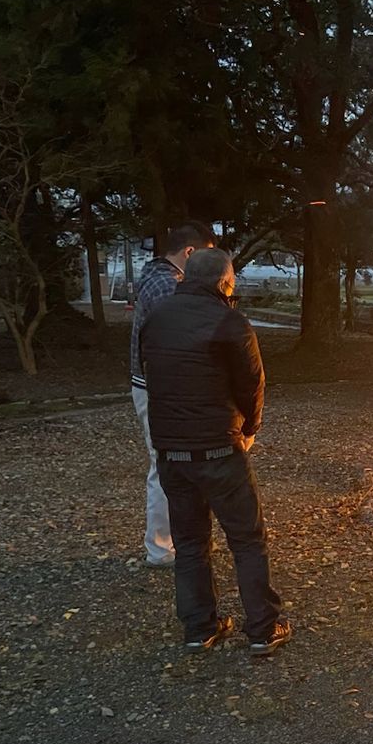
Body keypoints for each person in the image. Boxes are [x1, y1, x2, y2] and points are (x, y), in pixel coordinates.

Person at [139, 248, 292, 657]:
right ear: (226, 282)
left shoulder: (155, 317)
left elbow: (151, 372)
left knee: (190, 542)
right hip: (219, 450)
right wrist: (249, 428)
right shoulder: (230, 322)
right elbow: (251, 385)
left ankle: (199, 628)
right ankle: (262, 628)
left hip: (172, 451)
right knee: (246, 539)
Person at [130, 221, 215, 567]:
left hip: (153, 386)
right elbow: (182, 343)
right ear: (190, 253)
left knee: (169, 466)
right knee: (167, 467)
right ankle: (162, 549)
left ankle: (171, 544)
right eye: (206, 258)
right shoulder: (169, 287)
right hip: (160, 390)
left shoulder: (156, 276)